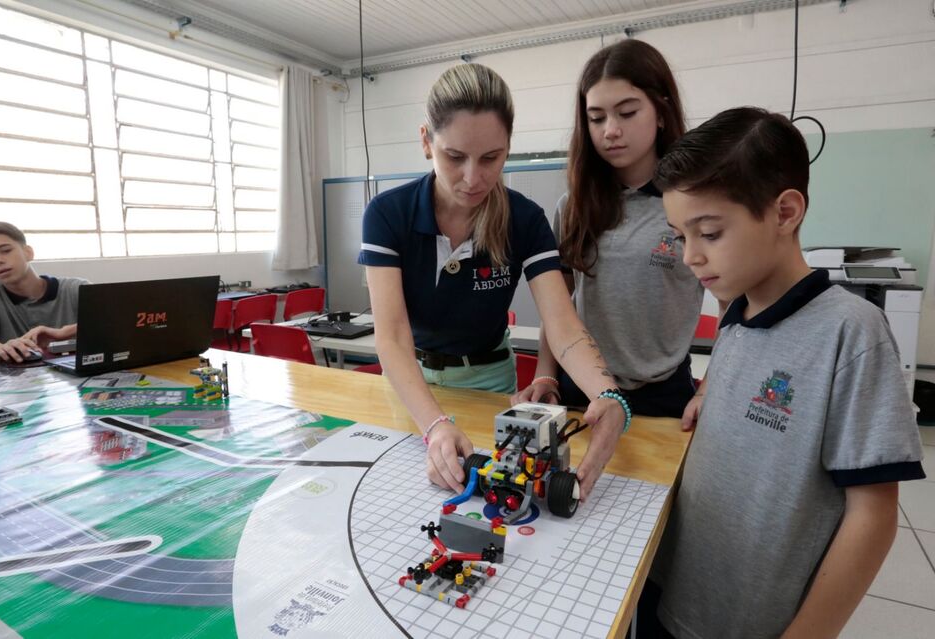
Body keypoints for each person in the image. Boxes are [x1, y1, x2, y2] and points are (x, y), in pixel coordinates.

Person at [645, 107, 926, 638]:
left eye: (708, 232)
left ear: (785, 211)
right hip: (678, 589)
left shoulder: (852, 332)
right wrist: (713, 395)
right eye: (681, 236)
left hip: (750, 619)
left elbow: (873, 516)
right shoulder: (735, 312)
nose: (690, 257)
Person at [358, 63, 629, 499]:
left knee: (500, 489)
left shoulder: (524, 219)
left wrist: (609, 394)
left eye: (491, 158)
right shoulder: (388, 214)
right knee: (411, 496)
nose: (473, 178)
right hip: (414, 384)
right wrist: (434, 424)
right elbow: (391, 336)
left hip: (490, 384)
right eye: (455, 157)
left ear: (507, 148)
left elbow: (562, 325)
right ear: (427, 141)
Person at [513, 40, 707, 424]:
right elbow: (559, 304)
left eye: (627, 112)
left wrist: (710, 387)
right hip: (582, 390)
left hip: (664, 396)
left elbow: (739, 305)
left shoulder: (693, 204)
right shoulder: (573, 207)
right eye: (597, 117)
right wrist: (546, 373)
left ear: (662, 112)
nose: (611, 130)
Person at [0, 222, 87, 363]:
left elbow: (113, 319)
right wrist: (3, 350)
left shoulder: (75, 288)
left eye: (5, 250)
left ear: (28, 253)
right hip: (18, 380)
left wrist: (62, 333)